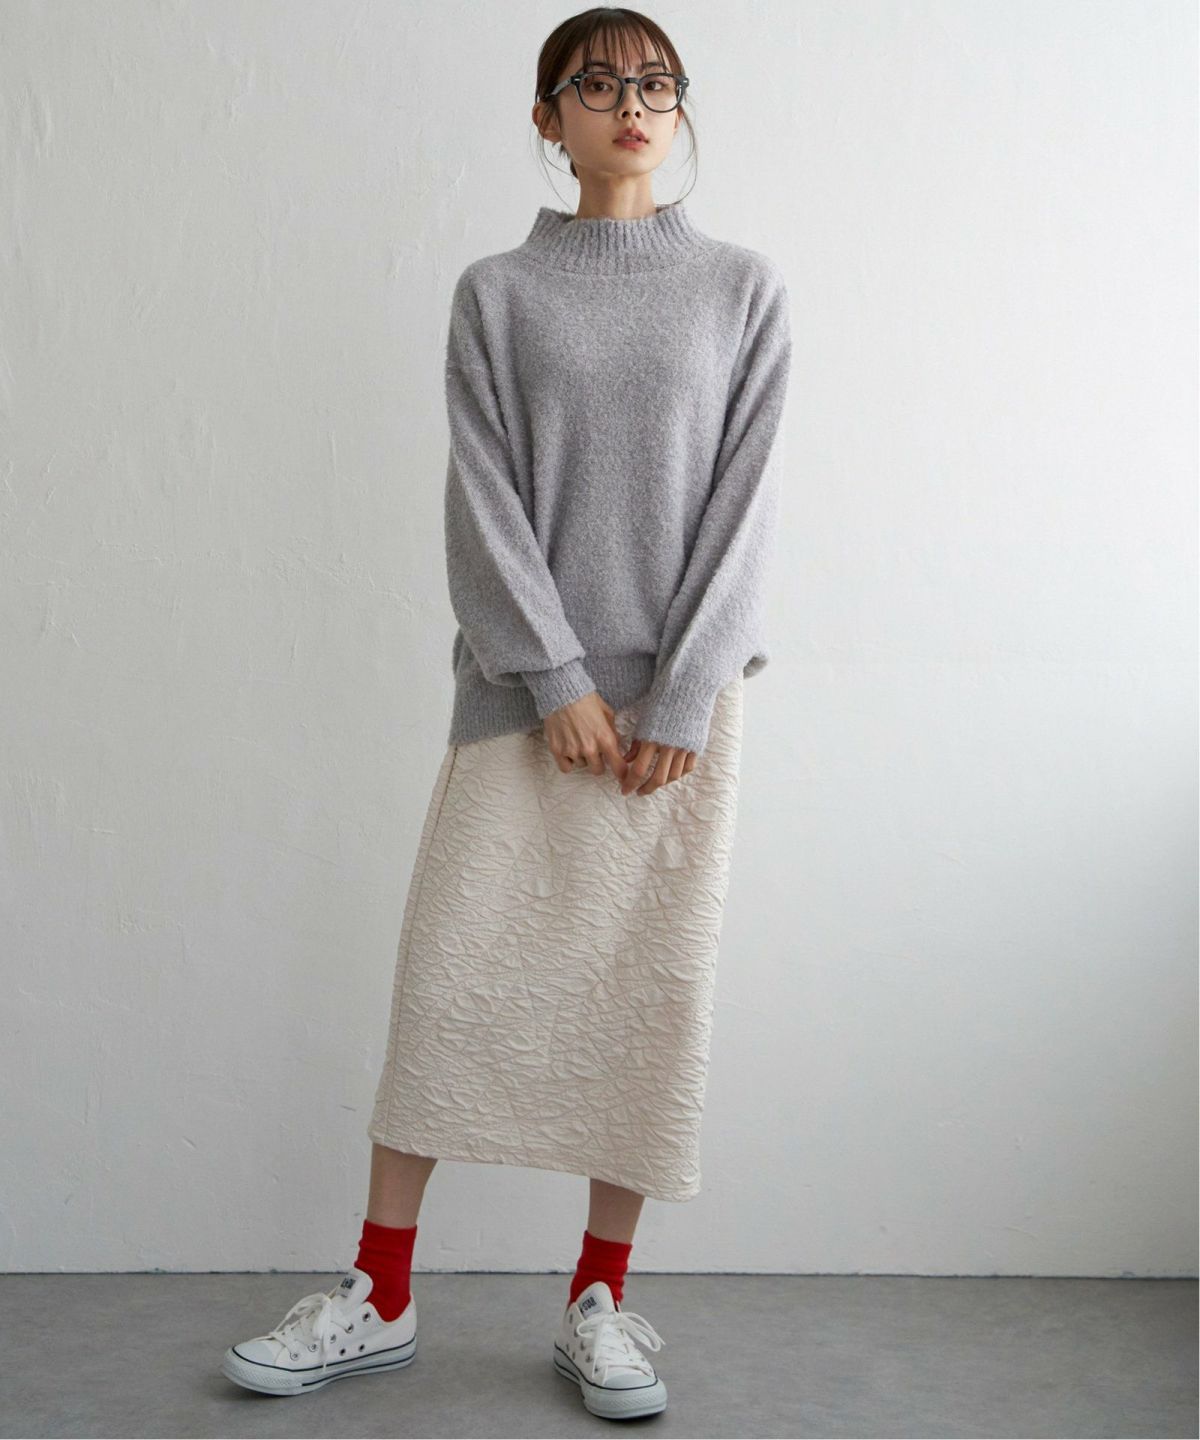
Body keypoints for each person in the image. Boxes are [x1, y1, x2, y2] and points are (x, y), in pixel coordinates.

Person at [221, 6, 792, 1421]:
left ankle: (600, 1300)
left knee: (645, 1003)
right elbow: (480, 499)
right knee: (448, 987)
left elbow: (749, 507)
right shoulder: (498, 294)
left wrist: (682, 693)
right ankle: (380, 1294)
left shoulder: (742, 289)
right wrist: (555, 679)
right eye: (596, 83)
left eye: (655, 82)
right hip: (520, 703)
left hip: (675, 724)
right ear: (548, 119)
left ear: (679, 108)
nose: (631, 102)